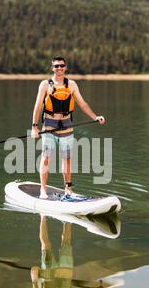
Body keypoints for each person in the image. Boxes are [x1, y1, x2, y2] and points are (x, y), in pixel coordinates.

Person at [31, 56, 105, 199]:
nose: (59, 68)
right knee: (46, 158)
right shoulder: (45, 85)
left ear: (65, 67)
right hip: (49, 125)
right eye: (57, 66)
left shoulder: (71, 85)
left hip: (66, 125)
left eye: (62, 66)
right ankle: (43, 191)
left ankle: (68, 190)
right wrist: (34, 126)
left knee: (67, 159)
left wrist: (95, 117)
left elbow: (82, 104)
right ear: (52, 68)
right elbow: (38, 106)